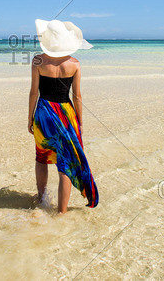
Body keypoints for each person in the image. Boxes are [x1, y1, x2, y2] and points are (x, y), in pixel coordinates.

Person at [27, 19, 99, 214]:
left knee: (41, 157)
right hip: (66, 114)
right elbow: (77, 96)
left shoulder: (38, 61)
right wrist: (80, 121)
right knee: (65, 161)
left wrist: (30, 117)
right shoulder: (74, 64)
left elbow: (34, 92)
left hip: (44, 112)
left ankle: (42, 199)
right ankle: (62, 212)